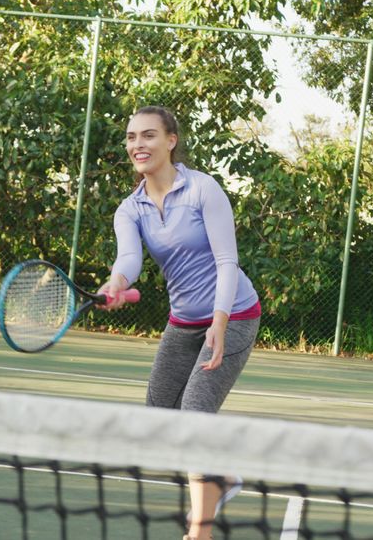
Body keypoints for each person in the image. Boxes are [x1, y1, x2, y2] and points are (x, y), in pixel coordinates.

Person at [98, 105, 261, 540]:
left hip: (235, 315)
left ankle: (199, 532)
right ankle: (223, 477)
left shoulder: (203, 189)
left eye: (148, 136)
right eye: (132, 137)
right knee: (159, 420)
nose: (138, 145)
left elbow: (227, 262)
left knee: (193, 416)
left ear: (170, 141)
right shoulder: (130, 210)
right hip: (184, 322)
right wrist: (115, 283)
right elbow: (128, 260)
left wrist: (221, 322)